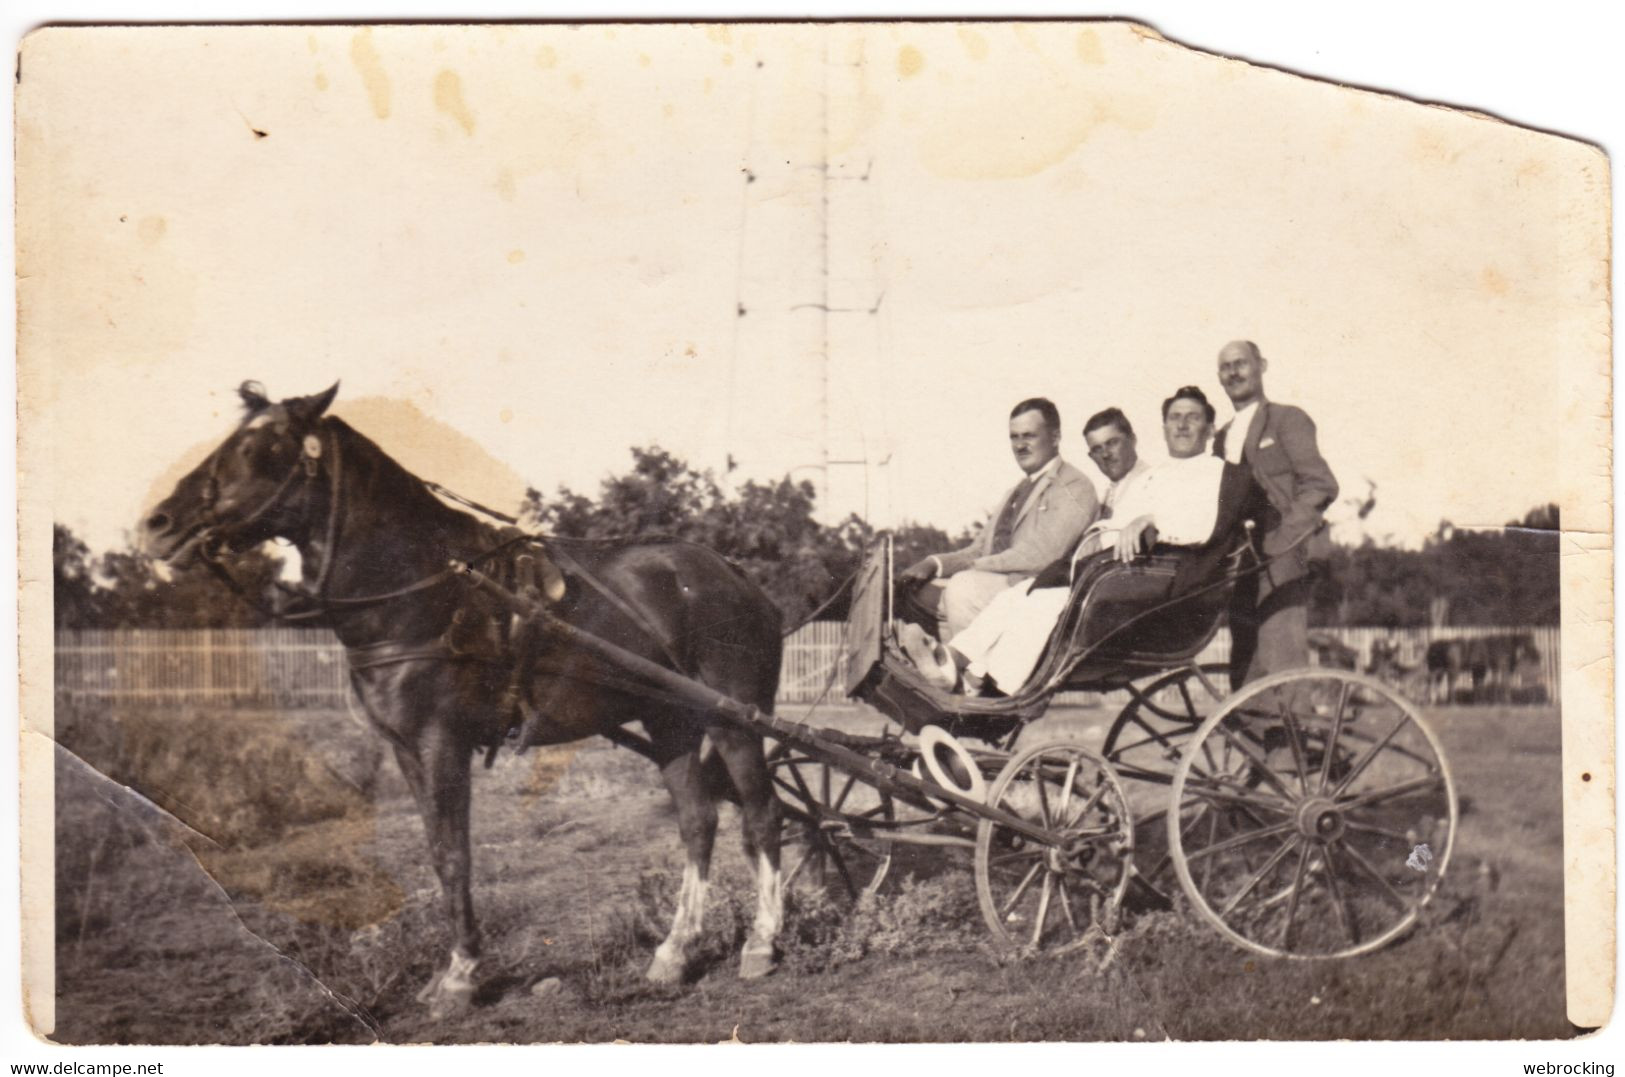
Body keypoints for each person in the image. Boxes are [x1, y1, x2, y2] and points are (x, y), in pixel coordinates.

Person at [902, 388, 1232, 695]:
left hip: (1150, 582)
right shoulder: (1154, 476)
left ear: (1210, 428)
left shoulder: (1214, 473)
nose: (1183, 425)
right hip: (1111, 570)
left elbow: (1201, 526)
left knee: (1044, 602)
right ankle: (952, 661)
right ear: (1163, 428)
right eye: (1175, 418)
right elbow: (1115, 526)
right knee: (1022, 595)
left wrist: (1150, 521)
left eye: (1192, 417)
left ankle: (984, 685)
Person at [898, 397, 1097, 639]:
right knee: (913, 590)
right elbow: (979, 549)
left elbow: (1042, 554)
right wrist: (933, 564)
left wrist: (968, 568)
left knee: (963, 587)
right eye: (1014, 437)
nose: (1020, 445)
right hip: (1003, 588)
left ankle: (973, 674)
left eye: (1029, 436)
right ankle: (943, 669)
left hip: (1042, 595)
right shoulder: (1015, 491)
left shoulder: (1073, 484)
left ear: (1055, 438)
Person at [1212, 339, 1339, 687]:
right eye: (1226, 367)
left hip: (1280, 558)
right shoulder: (1221, 437)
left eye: (1241, 363)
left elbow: (1319, 484)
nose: (1234, 372)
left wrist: (1282, 542)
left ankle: (1290, 740)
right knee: (1246, 668)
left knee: (1281, 664)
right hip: (1240, 565)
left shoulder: (1287, 419)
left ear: (1261, 366)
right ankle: (1251, 741)